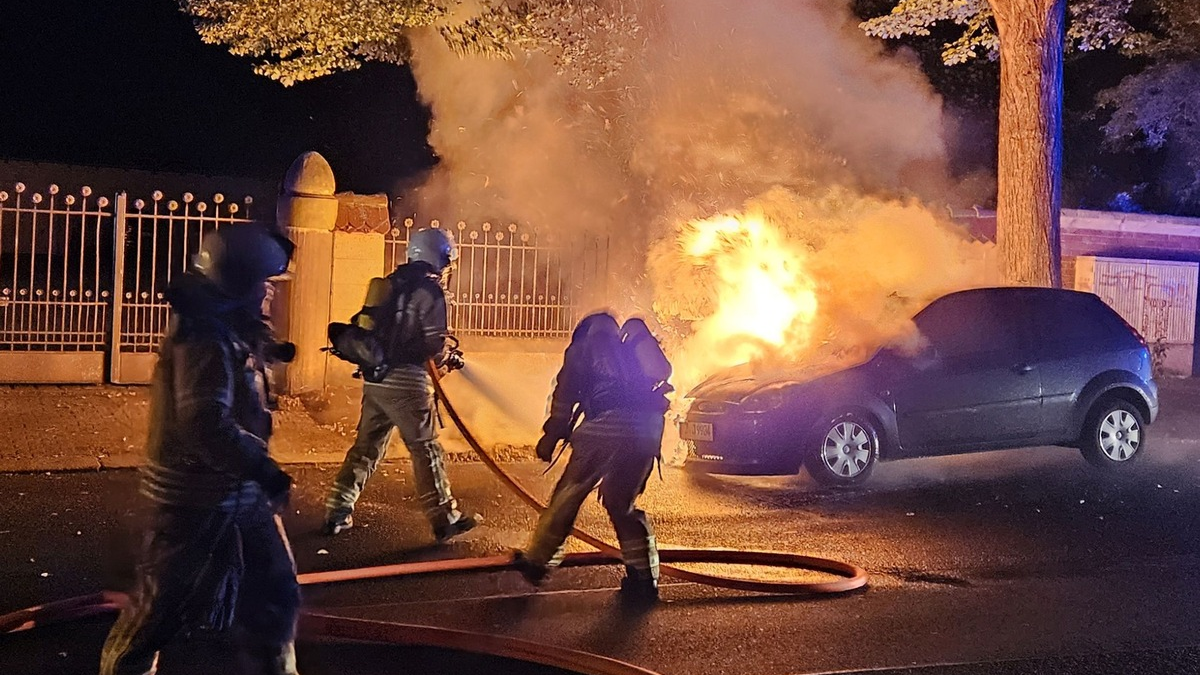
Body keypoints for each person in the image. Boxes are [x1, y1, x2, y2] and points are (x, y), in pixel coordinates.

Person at [100, 224, 300, 675]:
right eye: (264, 284)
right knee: (157, 614)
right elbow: (205, 424)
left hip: (237, 494)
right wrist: (264, 469)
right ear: (239, 285)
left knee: (276, 595)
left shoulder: (224, 327)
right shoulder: (204, 338)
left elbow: (240, 366)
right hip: (194, 500)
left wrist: (269, 349)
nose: (270, 293)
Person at [322, 227, 478, 542]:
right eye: (448, 259)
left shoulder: (390, 283)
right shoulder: (431, 291)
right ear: (439, 257)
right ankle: (444, 517)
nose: (448, 267)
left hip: (376, 379)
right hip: (408, 382)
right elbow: (434, 344)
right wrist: (450, 357)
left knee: (366, 448)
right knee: (426, 449)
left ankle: (338, 509)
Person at [513, 313, 673, 602]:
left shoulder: (582, 350)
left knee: (569, 493)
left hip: (605, 427)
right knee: (620, 504)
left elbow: (563, 399)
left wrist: (551, 436)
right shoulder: (631, 349)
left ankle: (538, 562)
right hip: (646, 431)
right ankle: (643, 579)